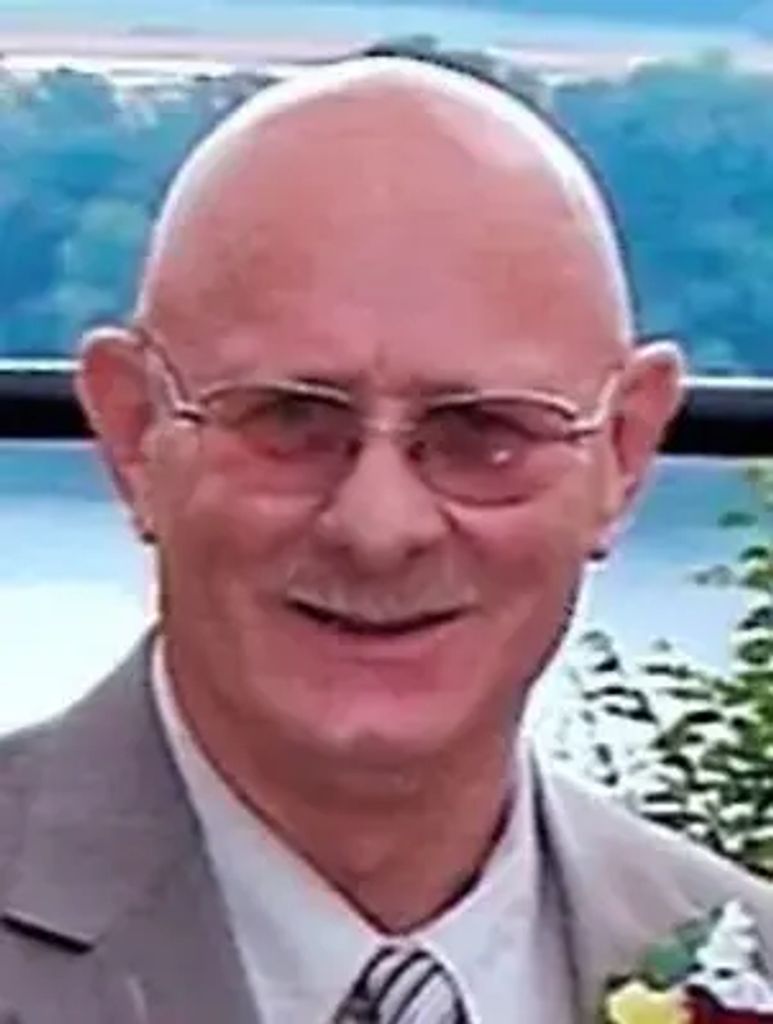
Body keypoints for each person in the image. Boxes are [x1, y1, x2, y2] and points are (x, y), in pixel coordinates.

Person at [0, 57, 769, 1024]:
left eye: (482, 432)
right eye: (291, 420)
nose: (378, 528)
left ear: (623, 453)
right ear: (131, 433)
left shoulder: (746, 961)